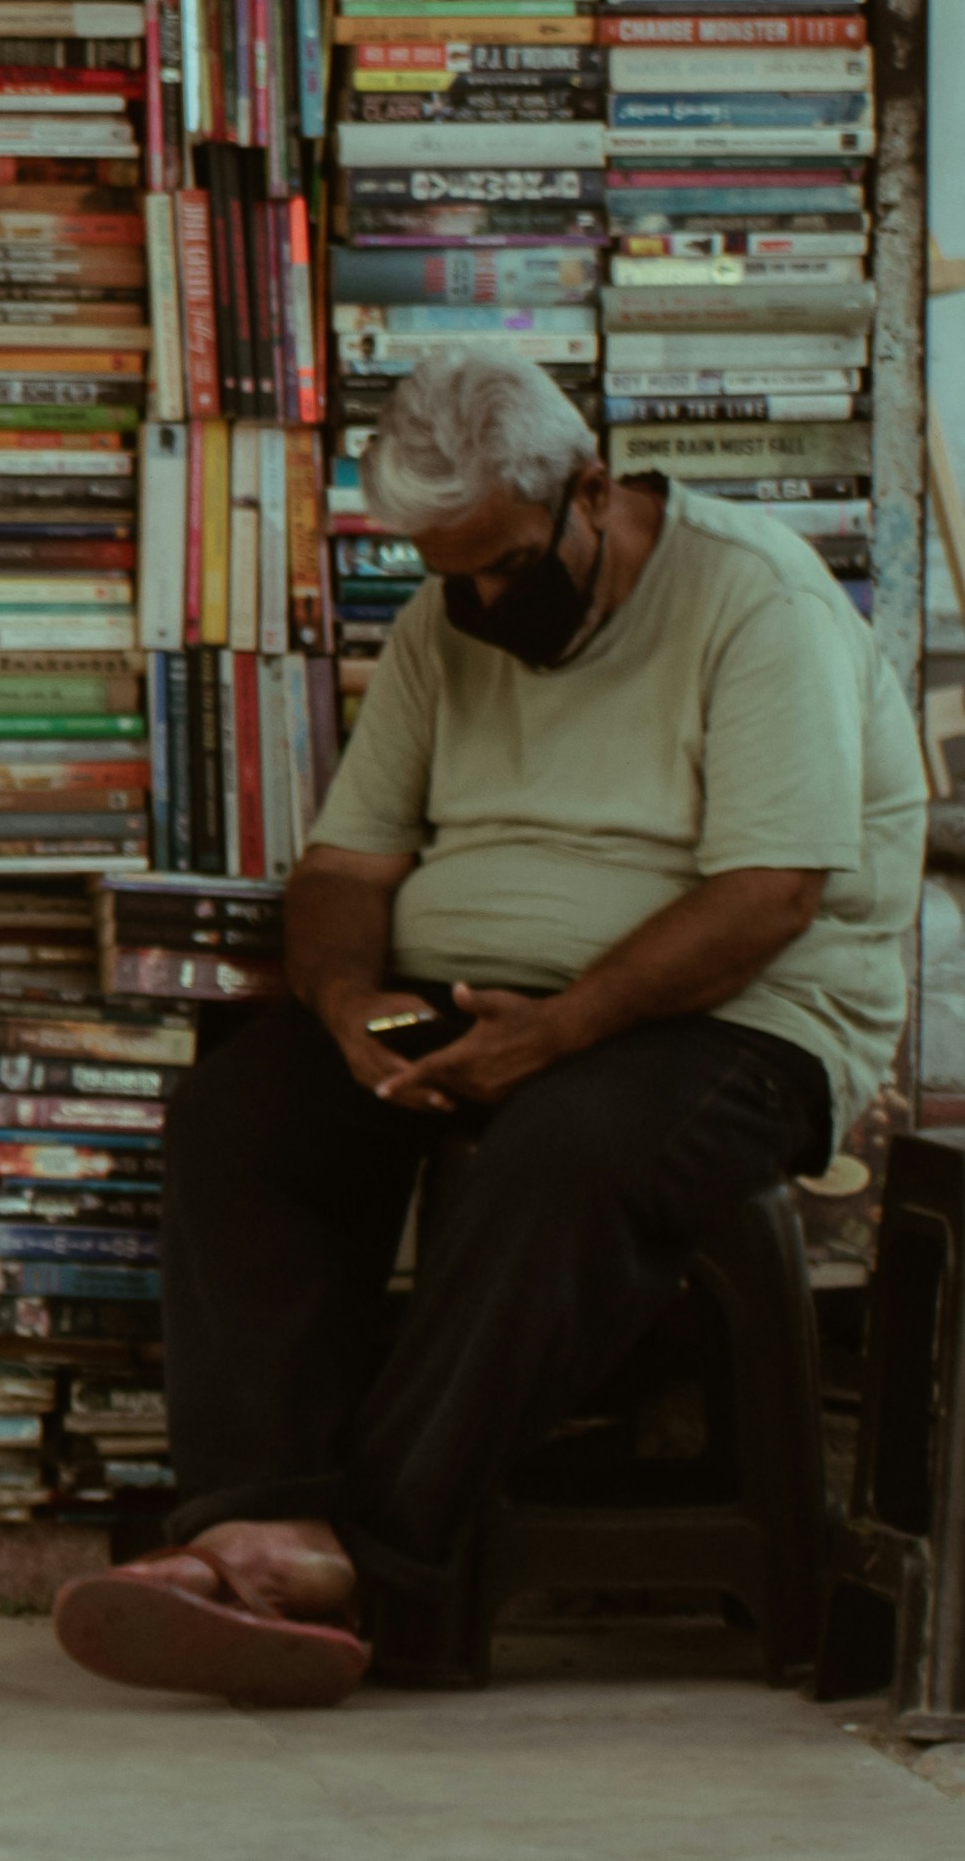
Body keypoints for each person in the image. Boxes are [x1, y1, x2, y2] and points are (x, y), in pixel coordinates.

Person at [51, 349, 920, 1707]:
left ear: (585, 489)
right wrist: (343, 1003)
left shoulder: (751, 600)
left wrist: (559, 1029)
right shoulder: (438, 621)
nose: (475, 600)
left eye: (504, 564)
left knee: (562, 1153)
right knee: (244, 1114)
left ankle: (371, 1563)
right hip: (469, 993)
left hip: (741, 1018)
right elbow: (345, 867)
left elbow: (769, 894)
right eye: (445, 569)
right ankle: (257, 1518)